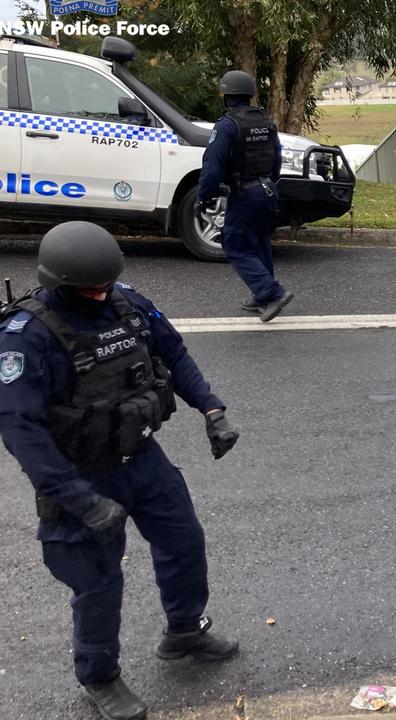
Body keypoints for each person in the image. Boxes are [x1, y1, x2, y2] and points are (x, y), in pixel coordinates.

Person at [0, 222, 242, 720]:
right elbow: (20, 429)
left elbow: (172, 352)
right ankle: (99, 676)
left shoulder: (126, 301)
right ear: (58, 283)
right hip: (80, 475)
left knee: (184, 542)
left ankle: (184, 631)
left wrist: (212, 410)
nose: (101, 293)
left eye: (107, 283)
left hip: (142, 457)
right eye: (91, 287)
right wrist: (79, 501)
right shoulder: (27, 337)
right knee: (98, 583)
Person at [198, 70, 293, 322]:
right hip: (267, 191)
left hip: (245, 192)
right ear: (249, 94)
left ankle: (271, 293)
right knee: (260, 242)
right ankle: (262, 295)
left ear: (227, 95)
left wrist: (204, 196)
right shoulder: (265, 122)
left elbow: (213, 165)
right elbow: (276, 160)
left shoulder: (228, 125)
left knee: (235, 244)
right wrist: (269, 183)